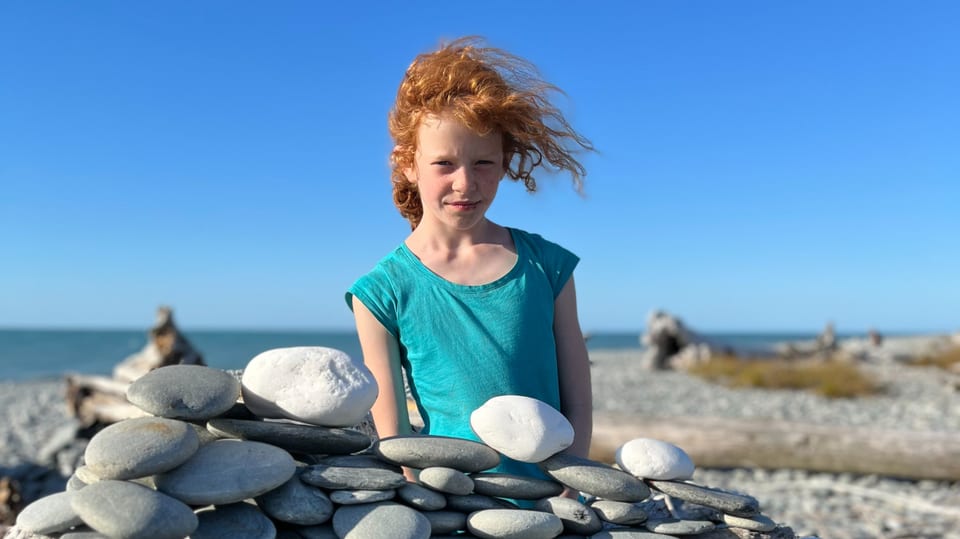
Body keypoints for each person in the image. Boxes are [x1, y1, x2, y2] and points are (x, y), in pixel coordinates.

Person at [345, 37, 594, 489]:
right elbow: (397, 440)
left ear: (505, 163)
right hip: (454, 503)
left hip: (550, 502)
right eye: (444, 163)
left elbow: (578, 400)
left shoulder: (548, 267)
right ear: (407, 163)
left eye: (483, 162)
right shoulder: (381, 292)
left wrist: (569, 486)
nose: (465, 183)